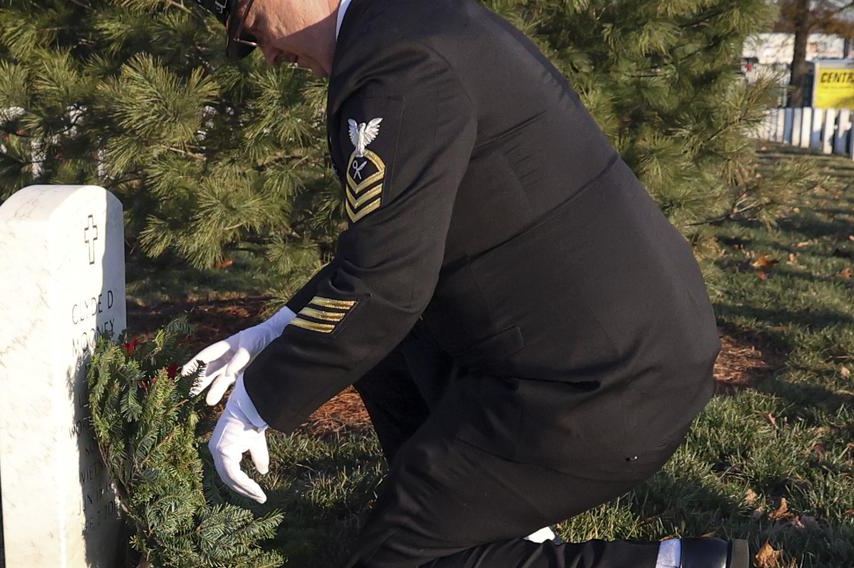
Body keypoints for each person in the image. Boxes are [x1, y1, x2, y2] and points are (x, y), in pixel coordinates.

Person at [183, 0, 750, 566]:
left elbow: (387, 282)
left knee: (398, 558)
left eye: (254, 28)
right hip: (605, 345)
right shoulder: (408, 23)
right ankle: (481, 516)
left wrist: (256, 406)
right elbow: (395, 245)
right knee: (384, 347)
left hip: (602, 385)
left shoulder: (397, 63)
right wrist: (279, 328)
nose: (269, 54)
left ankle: (676, 564)